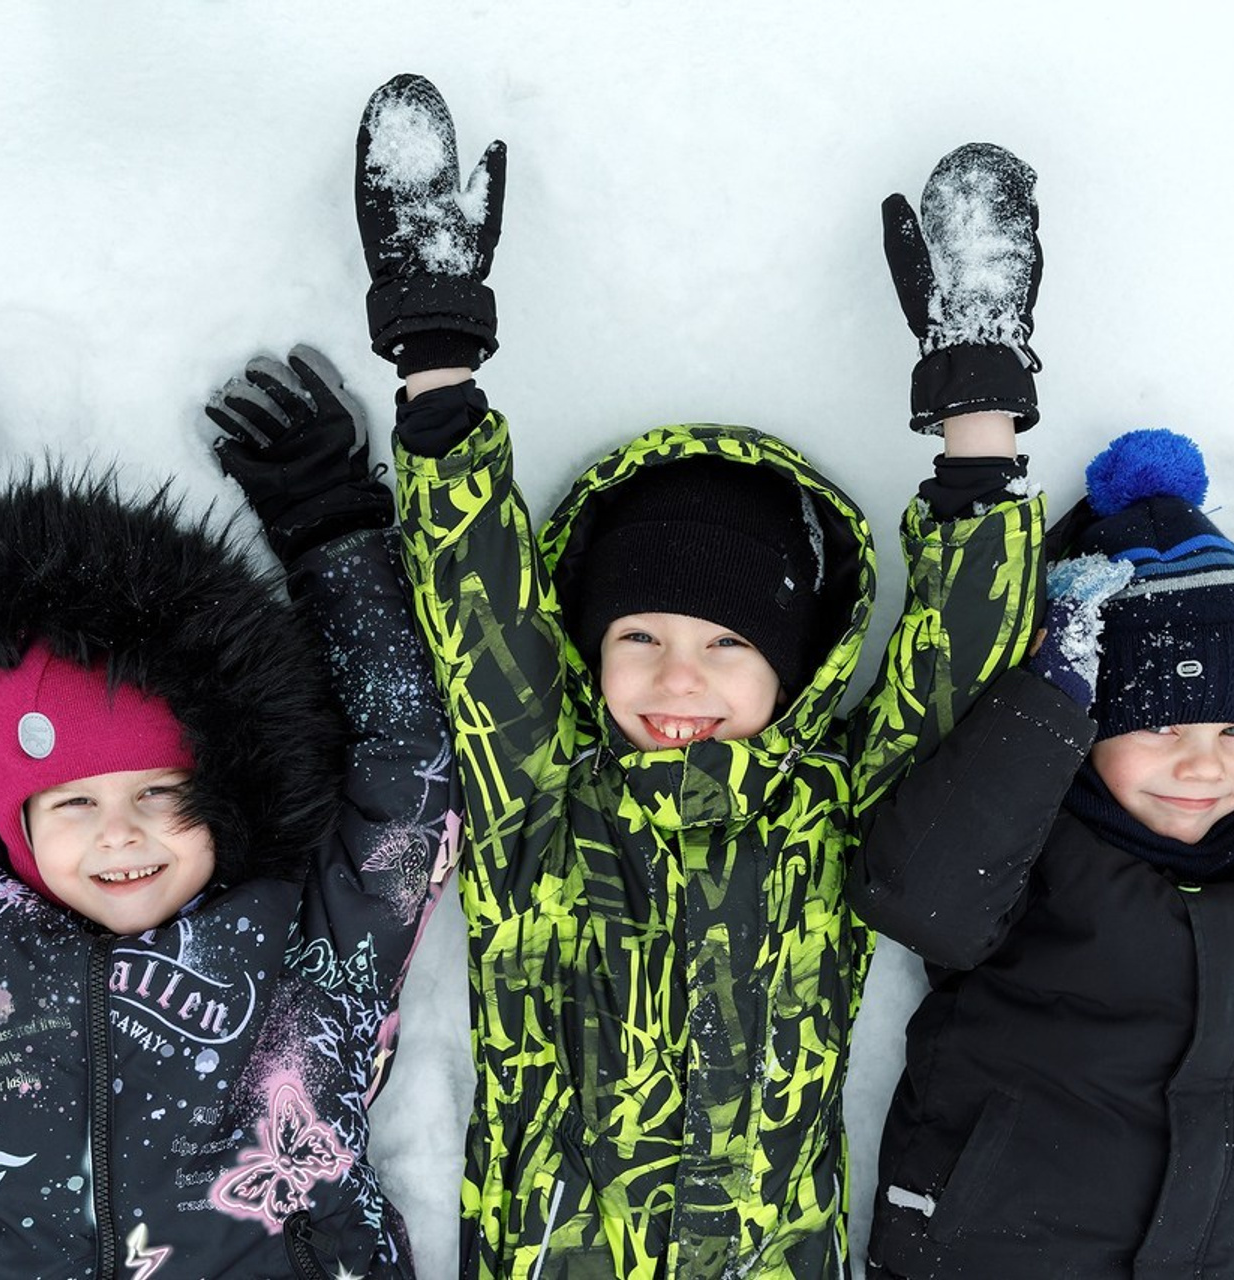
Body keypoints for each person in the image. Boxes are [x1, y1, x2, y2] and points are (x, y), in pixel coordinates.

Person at [356, 74, 1046, 1276]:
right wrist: (435, 358)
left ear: (794, 670)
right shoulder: (539, 790)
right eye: (639, 636)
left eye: (729, 644)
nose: (679, 677)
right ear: (589, 651)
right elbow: (478, 602)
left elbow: (954, 669)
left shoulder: (829, 807)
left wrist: (976, 414)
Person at [0, 346, 456, 1277]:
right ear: (11, 821)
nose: (119, 833)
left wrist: (328, 526)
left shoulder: (306, 933)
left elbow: (406, 769)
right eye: (73, 802)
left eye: (161, 792)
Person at [849, 425, 1234, 1277]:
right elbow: (921, 904)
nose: (1203, 766)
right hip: (996, 1247)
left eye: (1231, 731)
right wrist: (1044, 707)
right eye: (1159, 727)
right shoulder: (1035, 836)